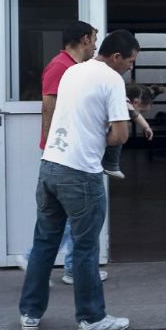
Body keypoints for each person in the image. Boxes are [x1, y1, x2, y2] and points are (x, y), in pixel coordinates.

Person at [18, 29, 139, 330]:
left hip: (50, 166)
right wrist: (103, 142)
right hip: (81, 174)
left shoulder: (73, 71)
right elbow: (121, 134)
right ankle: (91, 318)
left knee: (45, 244)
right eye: (130, 61)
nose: (130, 67)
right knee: (85, 249)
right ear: (115, 57)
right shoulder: (112, 79)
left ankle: (29, 314)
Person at [15, 21, 109, 286]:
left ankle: (71, 267)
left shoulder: (74, 67)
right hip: (62, 155)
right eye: (94, 38)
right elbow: (50, 106)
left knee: (71, 214)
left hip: (69, 153)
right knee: (67, 215)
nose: (95, 44)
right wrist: (51, 145)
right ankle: (34, 258)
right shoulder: (60, 66)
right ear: (84, 40)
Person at [102, 83, 164, 179]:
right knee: (119, 138)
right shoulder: (123, 101)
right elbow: (135, 115)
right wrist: (146, 127)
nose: (140, 113)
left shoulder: (119, 97)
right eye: (141, 110)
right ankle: (111, 165)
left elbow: (135, 115)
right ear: (135, 102)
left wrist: (146, 127)